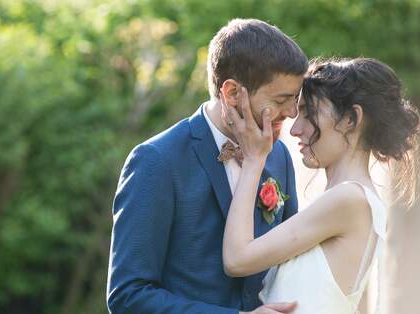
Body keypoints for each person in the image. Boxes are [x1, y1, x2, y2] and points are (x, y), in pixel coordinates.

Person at [107, 19, 308, 313]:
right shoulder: (156, 161)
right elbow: (127, 295)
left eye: (295, 99)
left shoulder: (278, 156)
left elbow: (289, 262)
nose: (291, 113)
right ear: (231, 92)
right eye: (281, 100)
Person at [222, 58, 420, 313]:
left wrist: (253, 161)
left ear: (351, 118)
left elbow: (237, 259)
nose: (295, 129)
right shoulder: (355, 200)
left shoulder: (349, 199)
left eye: (309, 112)